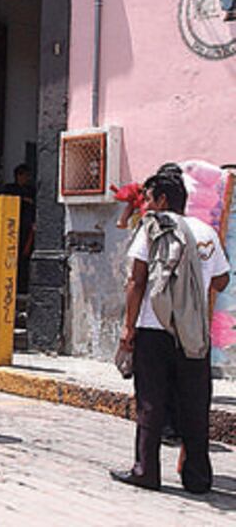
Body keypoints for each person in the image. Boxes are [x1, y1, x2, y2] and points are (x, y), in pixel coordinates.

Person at [110, 173, 230, 493]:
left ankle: (146, 470)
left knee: (151, 401)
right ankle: (198, 478)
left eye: (148, 199)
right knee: (194, 403)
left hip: (154, 327)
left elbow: (136, 281)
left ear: (163, 201)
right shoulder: (205, 232)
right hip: (193, 332)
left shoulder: (152, 228)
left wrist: (128, 327)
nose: (145, 206)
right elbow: (222, 281)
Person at [2, 164, 36, 294]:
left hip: (27, 228)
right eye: (25, 175)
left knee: (25, 257)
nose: (27, 178)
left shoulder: (31, 190)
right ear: (18, 176)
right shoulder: (10, 189)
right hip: (11, 227)